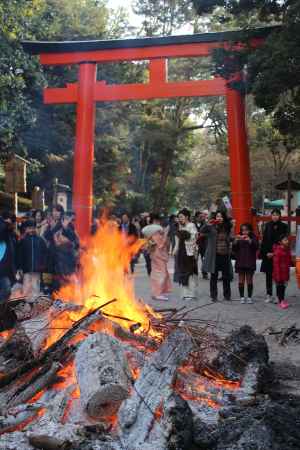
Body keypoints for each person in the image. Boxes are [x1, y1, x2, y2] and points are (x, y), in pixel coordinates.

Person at [201, 211, 233, 302]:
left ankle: (227, 296)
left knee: (226, 276)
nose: (219, 218)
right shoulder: (211, 227)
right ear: (215, 218)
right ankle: (213, 296)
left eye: (221, 216)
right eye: (218, 216)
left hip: (225, 254)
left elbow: (231, 238)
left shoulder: (227, 227)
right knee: (214, 276)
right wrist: (208, 224)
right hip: (214, 255)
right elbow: (202, 231)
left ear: (224, 218)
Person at [260, 209, 288, 303]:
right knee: (268, 275)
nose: (275, 216)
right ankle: (269, 294)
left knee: (278, 276)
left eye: (277, 215)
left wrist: (275, 253)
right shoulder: (267, 225)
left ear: (279, 216)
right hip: (268, 254)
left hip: (279, 254)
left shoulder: (284, 226)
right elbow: (264, 240)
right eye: (273, 215)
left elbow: (284, 241)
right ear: (271, 216)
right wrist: (265, 253)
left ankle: (278, 295)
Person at [17, 220, 48, 297]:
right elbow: (19, 255)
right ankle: (26, 306)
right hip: (26, 270)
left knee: (35, 289)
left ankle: (34, 307)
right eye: (29, 228)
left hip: (37, 270)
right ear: (26, 229)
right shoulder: (23, 240)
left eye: (33, 228)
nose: (31, 230)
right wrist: (20, 268)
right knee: (26, 289)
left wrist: (43, 265)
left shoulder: (40, 240)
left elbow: (45, 254)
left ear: (35, 228)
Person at [174, 208, 198, 300]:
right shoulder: (180, 226)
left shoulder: (191, 225)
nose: (180, 219)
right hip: (181, 251)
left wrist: (184, 234)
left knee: (190, 272)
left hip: (189, 252)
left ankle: (191, 293)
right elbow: (177, 239)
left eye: (181, 217)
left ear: (187, 217)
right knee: (182, 271)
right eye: (179, 217)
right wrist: (175, 249)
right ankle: (184, 293)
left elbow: (194, 238)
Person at [146, 214, 171, 301]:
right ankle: (158, 293)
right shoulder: (155, 231)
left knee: (156, 273)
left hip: (155, 254)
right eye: (156, 221)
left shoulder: (152, 231)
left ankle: (156, 292)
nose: (158, 222)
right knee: (161, 273)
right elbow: (161, 243)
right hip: (158, 254)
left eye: (158, 221)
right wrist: (166, 233)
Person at [232, 223, 258, 304]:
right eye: (243, 230)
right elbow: (234, 249)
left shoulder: (253, 237)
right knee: (241, 280)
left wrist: (250, 240)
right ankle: (242, 297)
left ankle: (249, 297)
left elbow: (256, 247)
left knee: (249, 280)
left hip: (250, 261)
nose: (244, 232)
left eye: (246, 230)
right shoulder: (238, 236)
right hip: (240, 261)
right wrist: (235, 241)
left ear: (249, 230)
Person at [0, 212, 17, 302]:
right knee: (6, 290)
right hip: (2, 270)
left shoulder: (11, 235)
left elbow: (13, 253)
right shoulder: (3, 230)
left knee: (7, 291)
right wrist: (4, 223)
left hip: (7, 270)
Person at [273, 234, 292, 309]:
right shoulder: (278, 251)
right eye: (285, 240)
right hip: (279, 273)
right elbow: (276, 264)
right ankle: (281, 301)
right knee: (280, 287)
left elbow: (289, 261)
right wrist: (278, 276)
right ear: (280, 242)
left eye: (287, 240)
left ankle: (282, 300)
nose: (287, 241)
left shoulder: (287, 250)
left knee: (283, 287)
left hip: (285, 272)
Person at [194, 211, 208, 279]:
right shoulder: (192, 224)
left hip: (203, 244)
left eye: (202, 217)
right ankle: (194, 273)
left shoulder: (205, 224)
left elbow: (208, 233)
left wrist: (203, 235)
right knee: (195, 259)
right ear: (196, 217)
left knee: (204, 259)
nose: (202, 218)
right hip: (195, 244)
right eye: (200, 217)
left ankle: (204, 273)